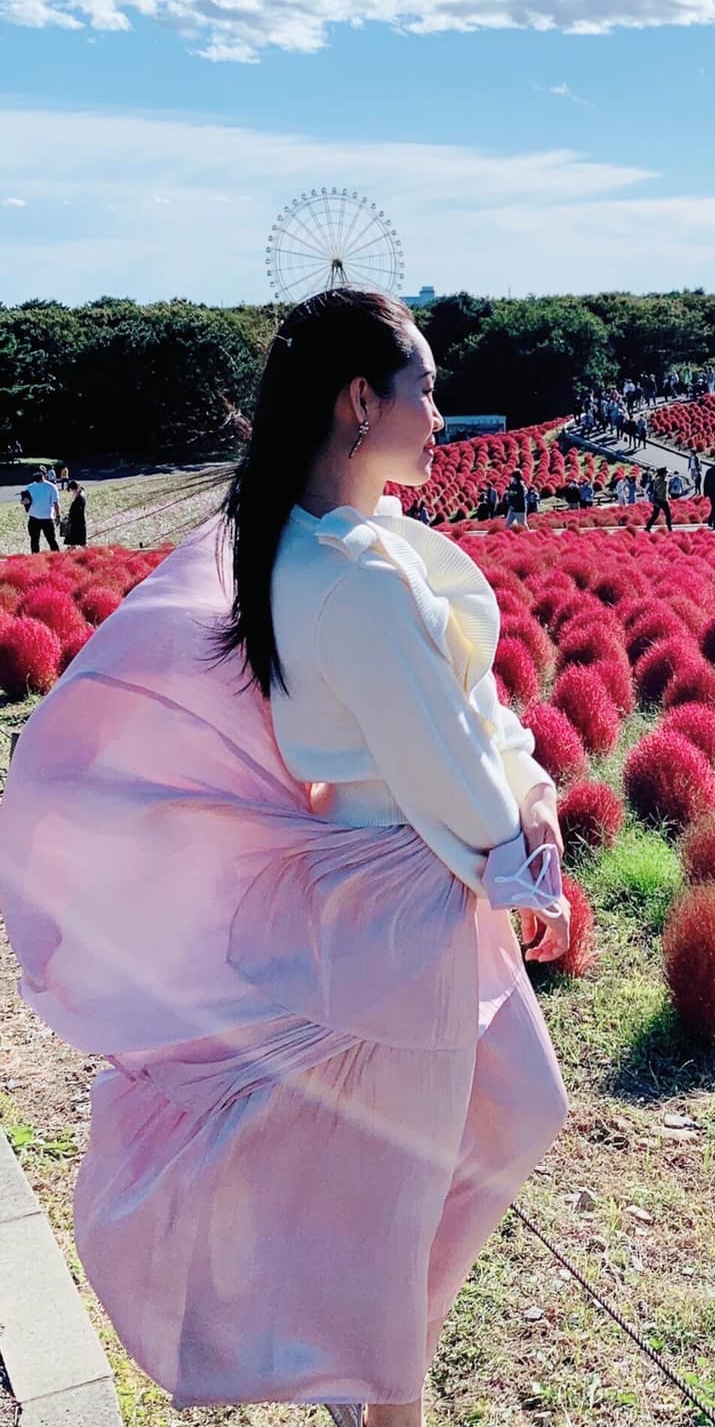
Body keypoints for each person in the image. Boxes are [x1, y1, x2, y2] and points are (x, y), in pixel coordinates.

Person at [0, 287, 569, 1424]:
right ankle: (371, 1376)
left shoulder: (330, 545)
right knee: (405, 1181)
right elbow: (448, 765)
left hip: (392, 882)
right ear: (363, 400)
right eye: (425, 385)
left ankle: (364, 1354)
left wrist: (522, 803)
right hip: (400, 896)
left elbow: (463, 720)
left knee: (471, 1131)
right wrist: (527, 851)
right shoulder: (351, 574)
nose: (440, 408)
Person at [24, 467, 62, 552]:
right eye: (35, 474)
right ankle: (35, 559)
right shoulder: (30, 487)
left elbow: (55, 503)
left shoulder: (51, 487)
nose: (37, 476)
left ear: (44, 475)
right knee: (34, 541)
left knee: (51, 540)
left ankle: (56, 557)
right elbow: (25, 500)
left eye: (39, 474)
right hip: (33, 518)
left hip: (47, 518)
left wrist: (58, 516)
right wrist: (24, 501)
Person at [646, 467, 673, 533]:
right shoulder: (665, 482)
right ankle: (670, 529)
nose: (667, 474)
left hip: (656, 500)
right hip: (663, 500)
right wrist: (667, 498)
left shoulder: (656, 480)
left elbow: (655, 490)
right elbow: (663, 493)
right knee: (668, 515)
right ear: (664, 473)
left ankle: (648, 527)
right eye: (666, 473)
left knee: (655, 515)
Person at [62, 478, 88, 546]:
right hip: (74, 523)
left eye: (72, 490)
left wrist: (70, 515)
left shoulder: (80, 498)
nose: (72, 492)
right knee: (72, 543)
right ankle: (68, 554)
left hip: (78, 523)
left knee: (82, 544)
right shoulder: (77, 497)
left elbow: (78, 511)